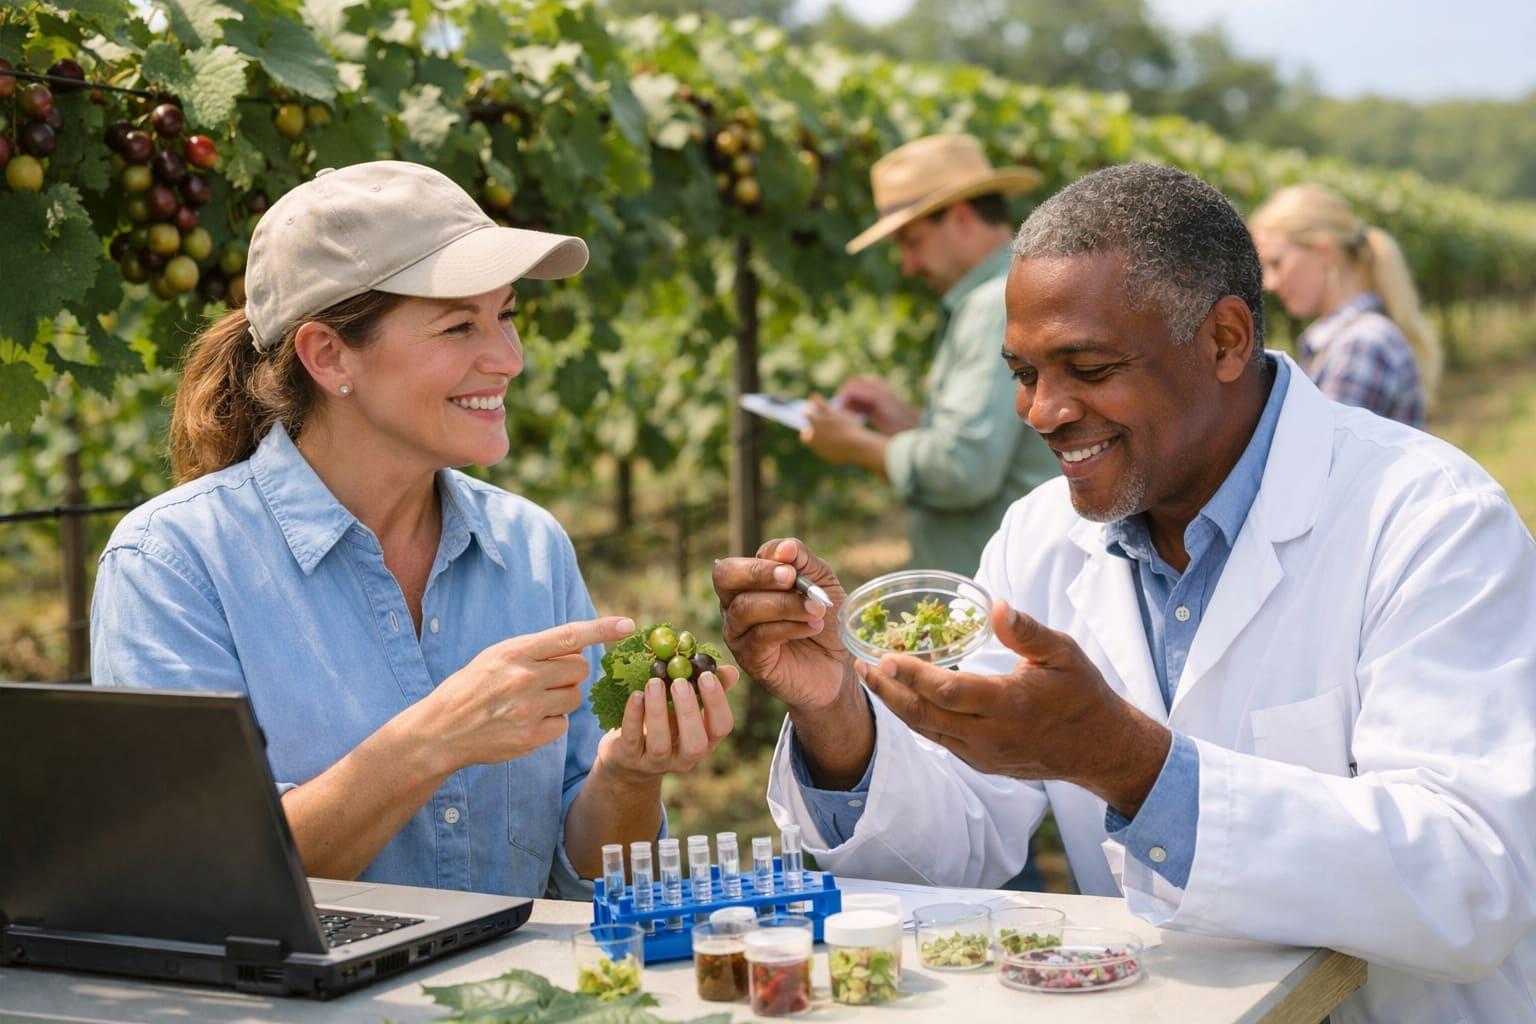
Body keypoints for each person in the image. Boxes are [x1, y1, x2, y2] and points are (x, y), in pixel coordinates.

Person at [714, 164, 1536, 1023]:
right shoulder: (1039, 539)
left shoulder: (1429, 520)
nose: (1042, 411)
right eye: (1024, 373)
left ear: (1224, 341)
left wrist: (1130, 764)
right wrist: (836, 715)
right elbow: (958, 844)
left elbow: (1473, 880)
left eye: (1089, 367)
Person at [91, 161, 738, 899]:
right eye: (461, 324)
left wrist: (627, 774)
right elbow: (204, 880)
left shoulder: (531, 547)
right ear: (328, 355)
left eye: (506, 316)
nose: (508, 358)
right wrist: (435, 738)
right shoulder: (172, 563)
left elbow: (580, 876)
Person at [799, 134, 1060, 576]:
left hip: (993, 595)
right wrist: (901, 417)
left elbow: (964, 470)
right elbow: (993, 444)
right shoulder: (1008, 290)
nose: (908, 264)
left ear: (960, 217)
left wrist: (856, 446)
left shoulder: (992, 306)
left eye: (911, 241)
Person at [1250, 183, 1442, 427]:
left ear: (1325, 252)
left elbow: (1319, 454)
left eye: (1276, 263)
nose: (1270, 283)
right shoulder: (1349, 340)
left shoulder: (1360, 346)